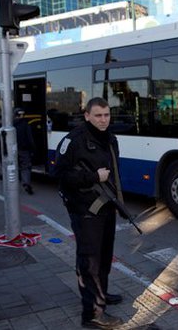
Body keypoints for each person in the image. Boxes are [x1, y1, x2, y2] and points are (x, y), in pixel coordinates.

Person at [53, 97, 124, 329]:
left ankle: (100, 295)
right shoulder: (73, 141)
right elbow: (61, 176)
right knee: (90, 261)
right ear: (87, 116)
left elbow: (113, 176)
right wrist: (93, 177)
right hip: (85, 210)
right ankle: (92, 313)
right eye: (98, 116)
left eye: (106, 115)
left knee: (104, 256)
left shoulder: (110, 138)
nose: (103, 120)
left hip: (106, 207)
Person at [13, 107, 35, 195]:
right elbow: (30, 139)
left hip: (13, 150)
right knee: (25, 167)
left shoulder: (11, 125)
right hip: (24, 150)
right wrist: (33, 149)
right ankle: (26, 183)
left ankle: (13, 186)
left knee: (13, 167)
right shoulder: (26, 124)